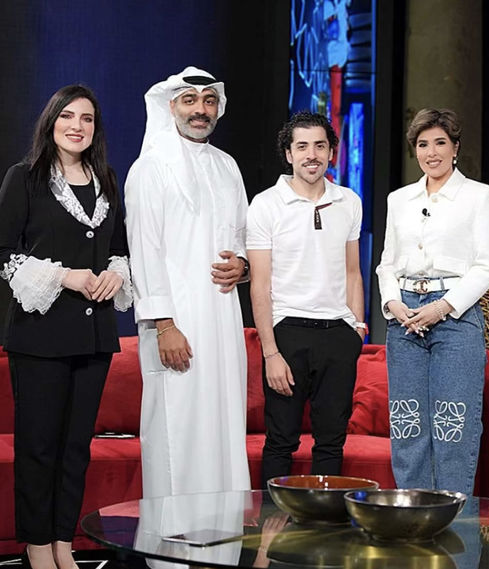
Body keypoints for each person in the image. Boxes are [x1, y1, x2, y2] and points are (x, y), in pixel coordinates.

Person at [0, 85, 132, 569]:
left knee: (76, 449)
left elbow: (118, 248)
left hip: (93, 336)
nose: (77, 126)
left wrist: (117, 272)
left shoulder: (106, 179)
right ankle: (36, 546)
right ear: (51, 122)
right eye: (68, 116)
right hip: (41, 335)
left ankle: (62, 542)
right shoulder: (26, 177)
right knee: (39, 448)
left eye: (87, 118)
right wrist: (63, 276)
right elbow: (4, 252)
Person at [125, 66, 250, 499]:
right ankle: (174, 541)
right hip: (174, 324)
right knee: (176, 428)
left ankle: (220, 533)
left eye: (209, 100)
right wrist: (164, 325)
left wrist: (243, 266)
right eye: (190, 100)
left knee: (223, 423)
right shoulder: (150, 167)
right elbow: (144, 250)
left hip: (222, 320)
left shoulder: (227, 166)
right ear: (171, 106)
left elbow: (241, 237)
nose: (201, 109)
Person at [376, 108, 489, 494]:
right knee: (407, 423)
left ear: (455, 148)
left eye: (440, 143)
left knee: (453, 426)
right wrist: (392, 304)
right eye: (422, 144)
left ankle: (453, 522)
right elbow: (387, 264)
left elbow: (488, 265)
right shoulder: (400, 199)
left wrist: (442, 307)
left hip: (455, 316)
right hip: (405, 317)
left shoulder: (479, 196)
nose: (431, 153)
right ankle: (411, 515)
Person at [246, 111, 365, 487]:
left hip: (339, 333)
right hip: (287, 332)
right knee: (280, 440)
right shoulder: (265, 204)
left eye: (319, 146)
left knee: (331, 442)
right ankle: (271, 523)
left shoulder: (349, 201)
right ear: (288, 154)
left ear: (331, 152)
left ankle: (324, 522)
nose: (311, 155)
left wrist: (358, 328)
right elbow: (259, 284)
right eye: (302, 147)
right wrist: (270, 352)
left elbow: (353, 271)